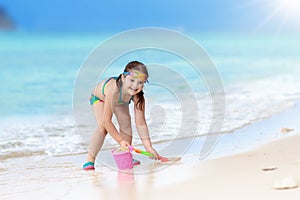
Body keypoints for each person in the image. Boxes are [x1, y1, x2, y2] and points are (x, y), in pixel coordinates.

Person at [83, 61, 159, 170]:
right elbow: (107, 121)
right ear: (123, 78)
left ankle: (126, 154)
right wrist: (120, 141)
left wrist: (148, 147)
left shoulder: (138, 97)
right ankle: (90, 159)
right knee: (103, 127)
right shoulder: (113, 90)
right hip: (100, 98)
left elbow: (141, 123)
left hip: (120, 101)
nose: (135, 85)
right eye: (132, 80)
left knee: (126, 123)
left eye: (140, 83)